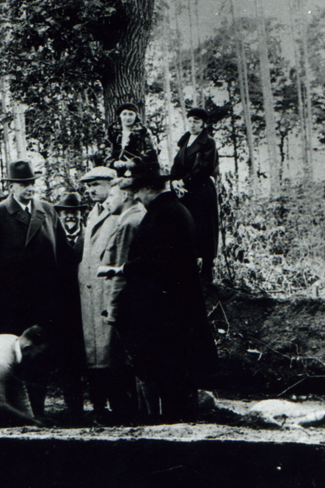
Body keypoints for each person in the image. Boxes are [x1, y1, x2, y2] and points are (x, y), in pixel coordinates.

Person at [112, 162, 218, 423]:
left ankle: (177, 435)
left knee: (173, 383)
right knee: (179, 383)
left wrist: (122, 268)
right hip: (177, 313)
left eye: (138, 190)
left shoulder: (164, 214)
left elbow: (160, 262)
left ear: (150, 188)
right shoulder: (174, 210)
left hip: (169, 316)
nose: (136, 196)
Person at [0, 160, 62, 416]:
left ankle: (38, 411)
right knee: (13, 357)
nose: (29, 188)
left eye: (32, 183)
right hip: (11, 304)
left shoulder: (47, 210)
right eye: (23, 184)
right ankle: (15, 413)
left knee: (39, 356)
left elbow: (61, 256)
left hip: (44, 302)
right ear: (11, 186)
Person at [76, 166, 131, 417]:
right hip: (90, 293)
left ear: (111, 184)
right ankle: (100, 407)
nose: (90, 190)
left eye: (95, 185)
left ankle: (121, 407)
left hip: (108, 290)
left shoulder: (119, 212)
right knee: (96, 354)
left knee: (113, 353)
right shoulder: (93, 213)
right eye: (88, 186)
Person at [95, 179, 146, 418]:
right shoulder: (131, 218)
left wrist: (112, 309)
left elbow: (121, 271)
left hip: (127, 304)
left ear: (125, 195)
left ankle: (143, 414)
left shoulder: (128, 222)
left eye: (111, 196)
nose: (106, 201)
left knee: (137, 362)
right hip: (135, 303)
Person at [170, 107, 220, 283]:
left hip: (202, 190)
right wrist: (174, 181)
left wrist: (183, 181)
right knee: (186, 227)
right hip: (184, 192)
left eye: (196, 121)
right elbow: (176, 165)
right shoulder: (184, 142)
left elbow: (204, 167)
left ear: (203, 124)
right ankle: (188, 269)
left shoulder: (208, 143)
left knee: (205, 228)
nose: (192, 124)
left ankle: (207, 271)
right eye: (190, 120)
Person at [53, 191, 87, 417]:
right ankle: (74, 407)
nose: (70, 217)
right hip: (63, 308)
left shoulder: (90, 235)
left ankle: (101, 404)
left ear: (81, 214)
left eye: (74, 213)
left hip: (90, 303)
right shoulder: (53, 237)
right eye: (65, 213)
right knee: (68, 356)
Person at [105, 102, 157, 175]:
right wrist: (114, 162)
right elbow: (103, 153)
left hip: (137, 172)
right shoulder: (111, 133)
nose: (127, 117)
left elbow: (150, 154)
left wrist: (135, 162)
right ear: (120, 116)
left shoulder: (144, 133)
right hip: (113, 171)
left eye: (131, 114)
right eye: (124, 114)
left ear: (136, 116)